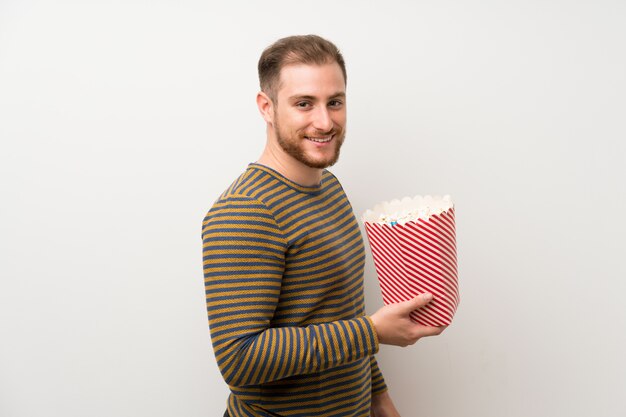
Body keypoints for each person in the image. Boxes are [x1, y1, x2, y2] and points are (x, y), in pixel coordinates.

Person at [201, 34, 446, 417]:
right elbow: (239, 359)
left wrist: (381, 403)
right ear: (266, 107)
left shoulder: (329, 187)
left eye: (335, 102)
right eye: (304, 104)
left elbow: (343, 312)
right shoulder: (245, 211)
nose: (325, 121)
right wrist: (372, 332)